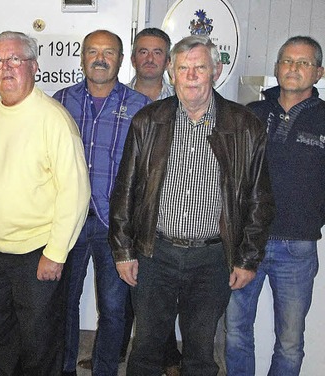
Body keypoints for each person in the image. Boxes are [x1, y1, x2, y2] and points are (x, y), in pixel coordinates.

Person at [109, 35, 275, 375]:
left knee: (200, 352)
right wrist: (124, 251)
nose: (191, 75)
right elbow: (125, 189)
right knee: (145, 349)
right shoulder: (148, 121)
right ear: (171, 72)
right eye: (183, 67)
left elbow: (260, 199)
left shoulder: (245, 126)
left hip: (212, 259)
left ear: (216, 69)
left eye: (199, 66)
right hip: (156, 254)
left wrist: (246, 258)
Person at [0, 31, 91, 376]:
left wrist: (57, 251)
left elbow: (76, 192)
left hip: (38, 252)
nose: (6, 68)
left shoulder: (54, 119)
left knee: (40, 343)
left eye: (15, 59)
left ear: (34, 66)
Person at [52, 29, 150, 376]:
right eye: (93, 51)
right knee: (63, 303)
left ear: (121, 61)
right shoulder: (60, 101)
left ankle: (105, 370)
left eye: (109, 52)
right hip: (70, 221)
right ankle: (64, 368)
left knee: (113, 308)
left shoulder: (141, 106)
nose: (100, 58)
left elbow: (150, 171)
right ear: (82, 57)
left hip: (117, 226)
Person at [225, 36, 325, 376]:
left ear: (319, 73)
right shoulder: (252, 114)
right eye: (287, 61)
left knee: (289, 342)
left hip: (297, 247)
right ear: (276, 67)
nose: (293, 68)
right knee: (236, 332)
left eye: (303, 63)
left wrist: (313, 218)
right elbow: (231, 173)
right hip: (247, 244)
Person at [124, 27, 182, 376]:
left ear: (168, 59)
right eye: (143, 51)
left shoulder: (186, 99)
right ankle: (120, 349)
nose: (149, 58)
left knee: (163, 295)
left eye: (157, 52)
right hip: (125, 207)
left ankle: (169, 355)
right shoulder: (119, 98)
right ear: (133, 57)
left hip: (164, 211)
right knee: (128, 290)